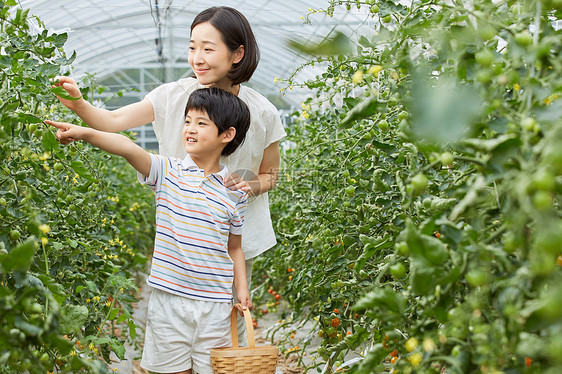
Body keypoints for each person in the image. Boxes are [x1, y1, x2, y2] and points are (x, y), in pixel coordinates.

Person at [52, 6, 286, 345]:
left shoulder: (263, 111)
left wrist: (250, 185)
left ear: (238, 53)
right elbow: (113, 122)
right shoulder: (172, 96)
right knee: (177, 328)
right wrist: (79, 105)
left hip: (232, 239)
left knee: (222, 332)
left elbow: (271, 174)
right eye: (192, 47)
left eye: (208, 48)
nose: (197, 58)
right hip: (183, 240)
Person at [46, 87, 252, 374]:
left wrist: (241, 289)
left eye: (201, 123)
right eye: (187, 121)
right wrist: (84, 133)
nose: (190, 129)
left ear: (227, 135)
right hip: (168, 300)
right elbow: (128, 147)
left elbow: (235, 247)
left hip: (215, 305)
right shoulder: (167, 172)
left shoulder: (235, 193)